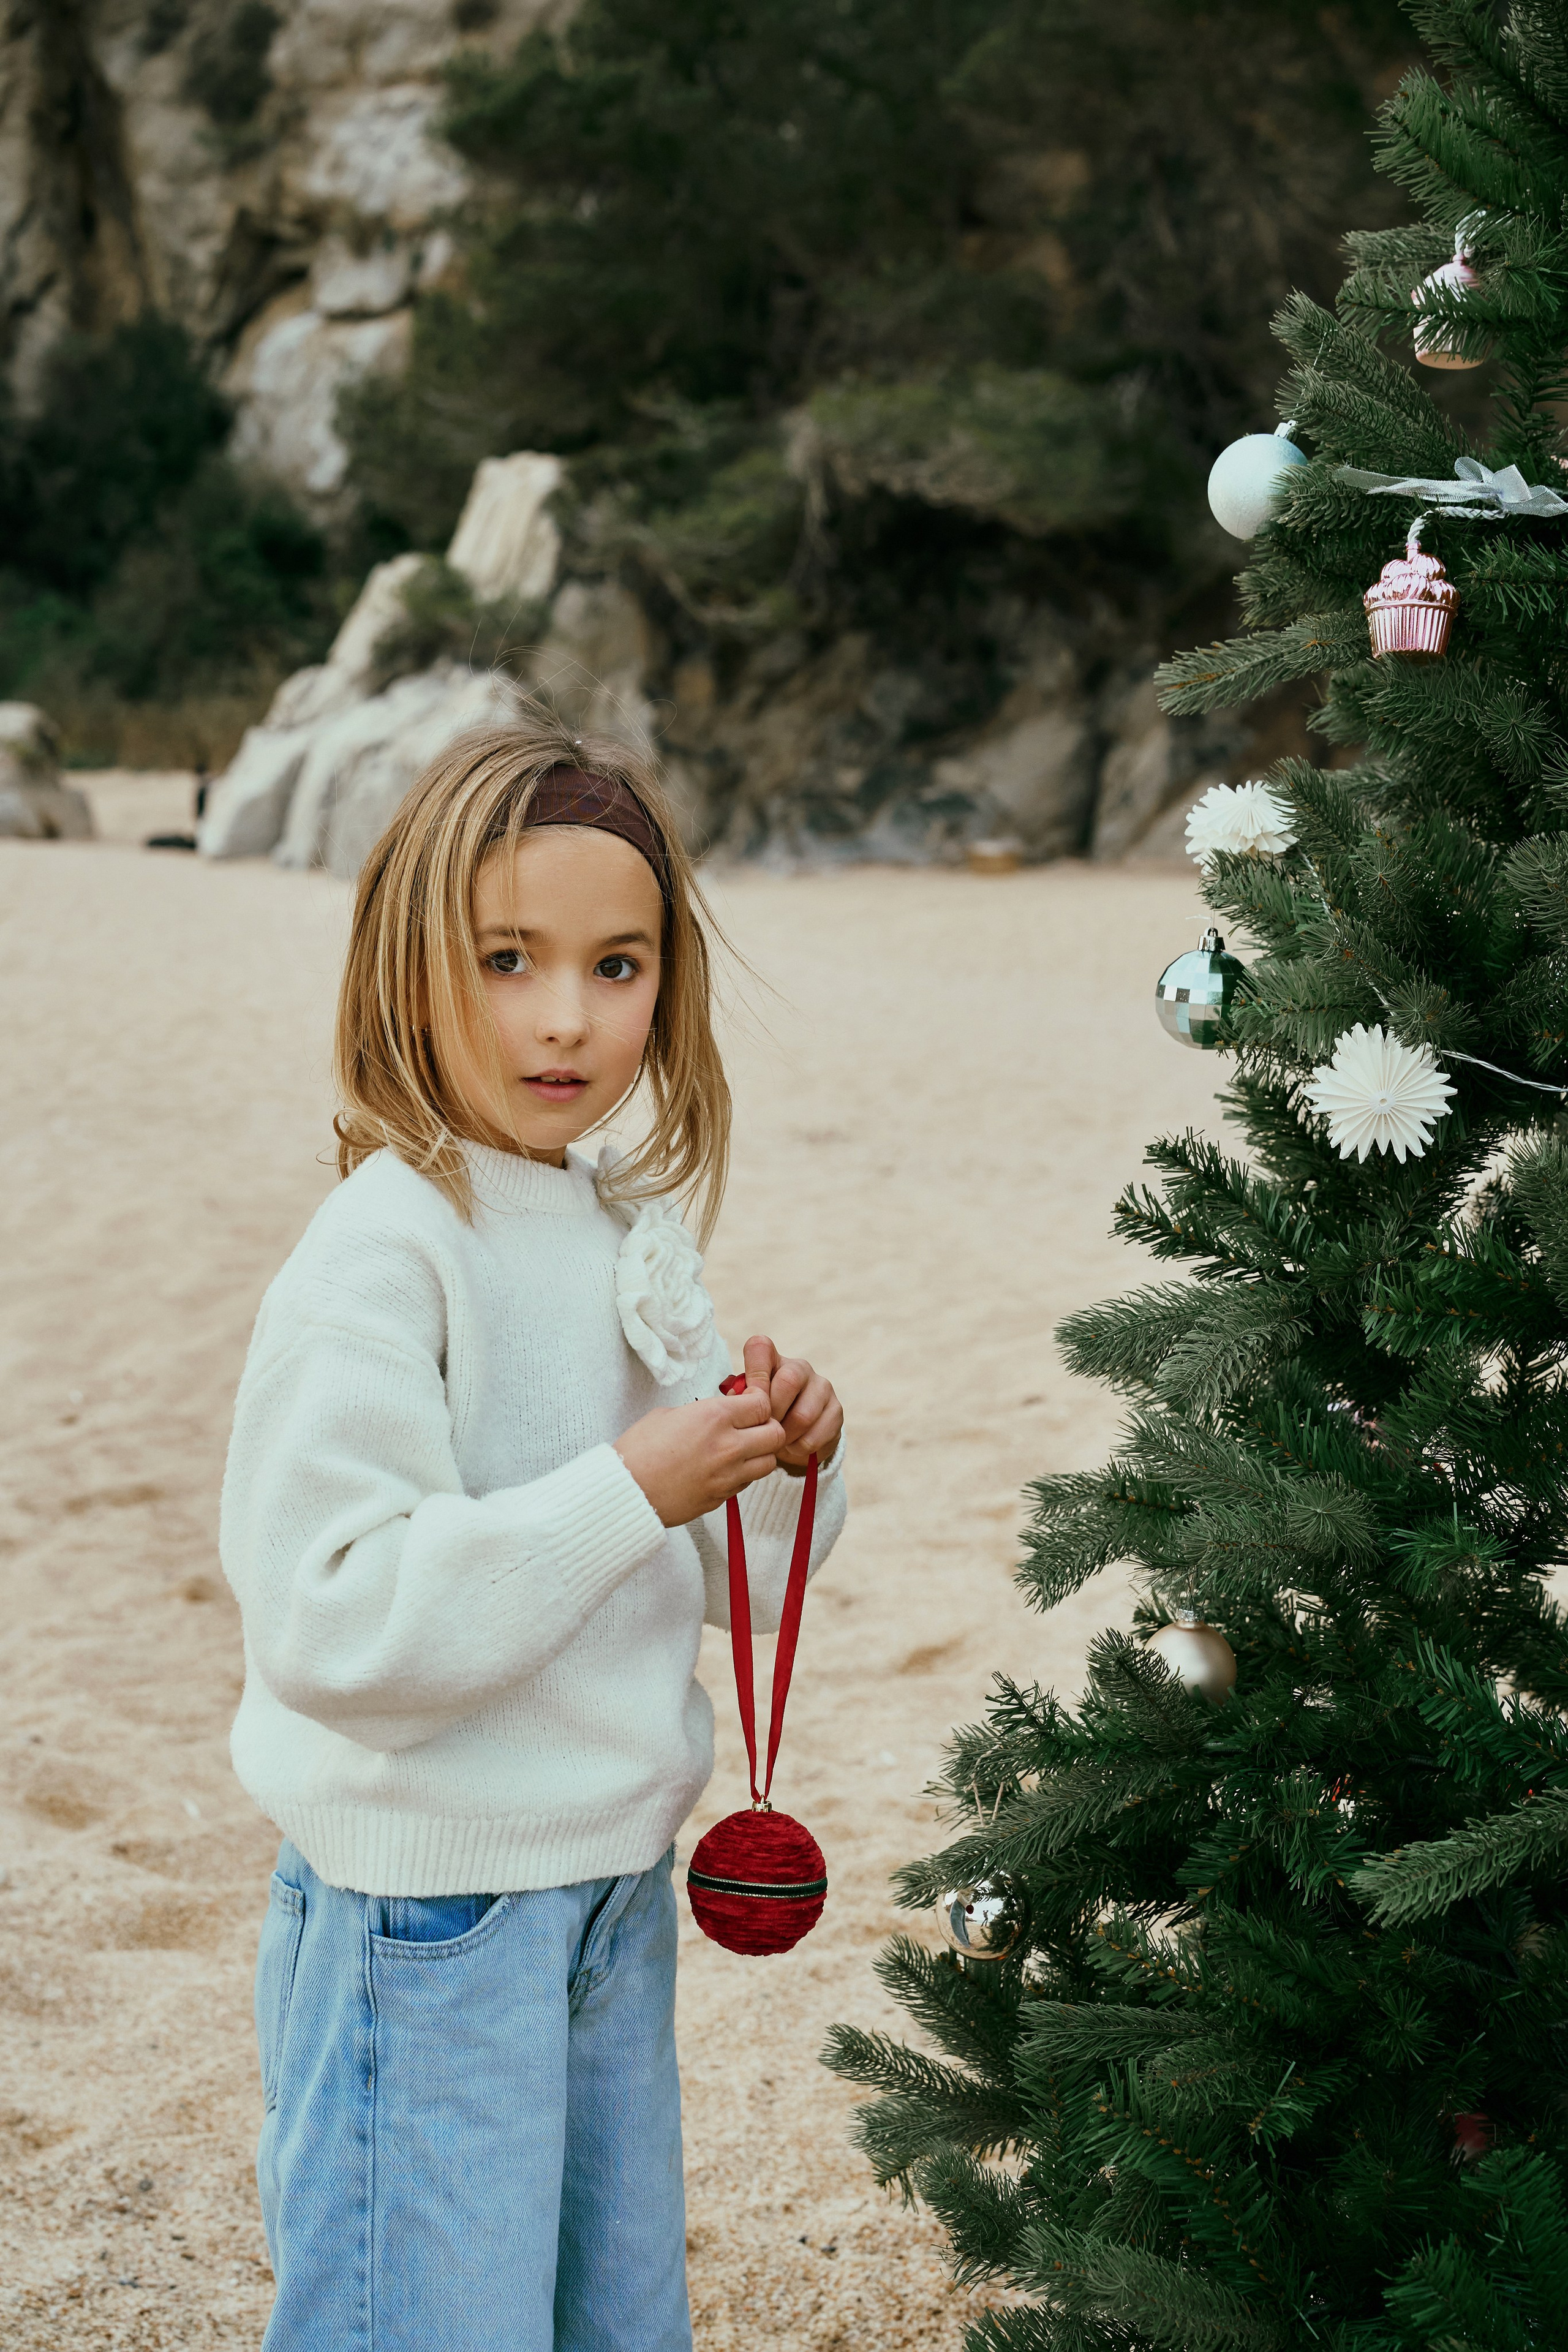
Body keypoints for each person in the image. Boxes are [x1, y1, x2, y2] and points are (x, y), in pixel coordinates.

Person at [219, 710, 846, 2351]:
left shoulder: (629, 1230)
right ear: (410, 963)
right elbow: (336, 1625)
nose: (567, 1018)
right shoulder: (382, 1251)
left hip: (609, 1893)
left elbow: (741, 1581)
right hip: (426, 1922)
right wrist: (635, 1482)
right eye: (508, 958)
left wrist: (779, 1457)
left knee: (616, 2322)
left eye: (618, 967)